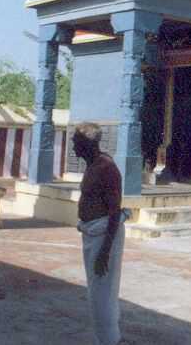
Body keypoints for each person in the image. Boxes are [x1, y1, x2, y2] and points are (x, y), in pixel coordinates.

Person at [74, 122, 128, 345]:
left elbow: (114, 212)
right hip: (92, 233)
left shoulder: (106, 168)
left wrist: (105, 252)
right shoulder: (93, 164)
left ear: (87, 144)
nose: (73, 147)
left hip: (105, 236)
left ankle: (111, 341)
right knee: (98, 293)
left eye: (76, 142)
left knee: (102, 295)